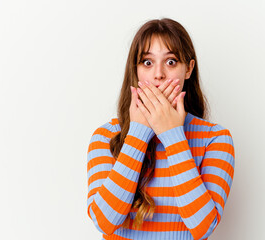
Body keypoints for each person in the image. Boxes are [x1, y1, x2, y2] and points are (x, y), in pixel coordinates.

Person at [86, 18, 235, 240]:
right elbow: (104, 221)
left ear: (188, 69)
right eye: (147, 62)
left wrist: (172, 135)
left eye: (171, 62)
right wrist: (138, 133)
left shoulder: (215, 139)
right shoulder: (105, 136)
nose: (158, 75)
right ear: (135, 71)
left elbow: (203, 227)